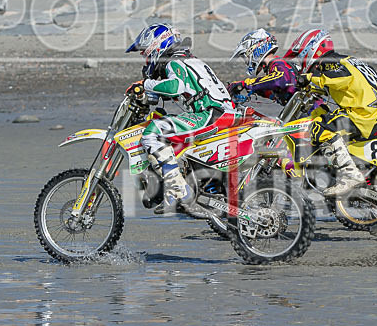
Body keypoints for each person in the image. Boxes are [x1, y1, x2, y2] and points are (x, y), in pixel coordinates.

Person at [126, 23, 238, 215]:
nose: (145, 58)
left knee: (152, 133)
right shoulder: (187, 59)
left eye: (145, 53)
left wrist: (145, 84)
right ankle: (193, 185)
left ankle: (178, 191)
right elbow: (179, 90)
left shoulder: (174, 62)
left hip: (210, 114)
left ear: (156, 45)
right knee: (168, 123)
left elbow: (175, 87)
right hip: (221, 112)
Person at [284, 28, 377, 197]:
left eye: (300, 55)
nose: (300, 60)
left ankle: (349, 174)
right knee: (326, 116)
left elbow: (340, 78)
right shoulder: (350, 60)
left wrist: (308, 79)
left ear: (312, 48)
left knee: (320, 127)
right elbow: (351, 84)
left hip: (365, 116)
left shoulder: (329, 62)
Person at [228, 28, 300, 105]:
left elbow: (279, 81)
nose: (247, 61)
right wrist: (258, 89)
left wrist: (245, 84)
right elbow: (280, 89)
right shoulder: (275, 67)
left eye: (246, 57)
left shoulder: (278, 63)